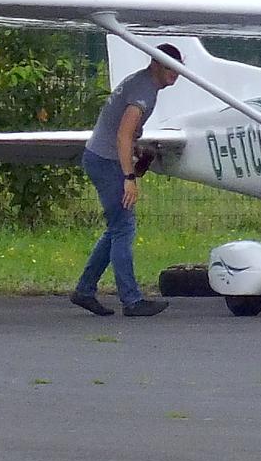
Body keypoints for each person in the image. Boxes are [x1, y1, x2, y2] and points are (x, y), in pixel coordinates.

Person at [71, 44, 181, 318]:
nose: (174, 74)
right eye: (169, 67)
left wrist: (138, 152)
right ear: (155, 64)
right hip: (105, 161)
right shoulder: (143, 92)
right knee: (124, 229)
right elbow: (122, 135)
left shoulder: (142, 84)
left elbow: (124, 134)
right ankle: (131, 300)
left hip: (100, 156)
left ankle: (84, 290)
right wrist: (129, 177)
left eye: (177, 69)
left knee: (116, 228)